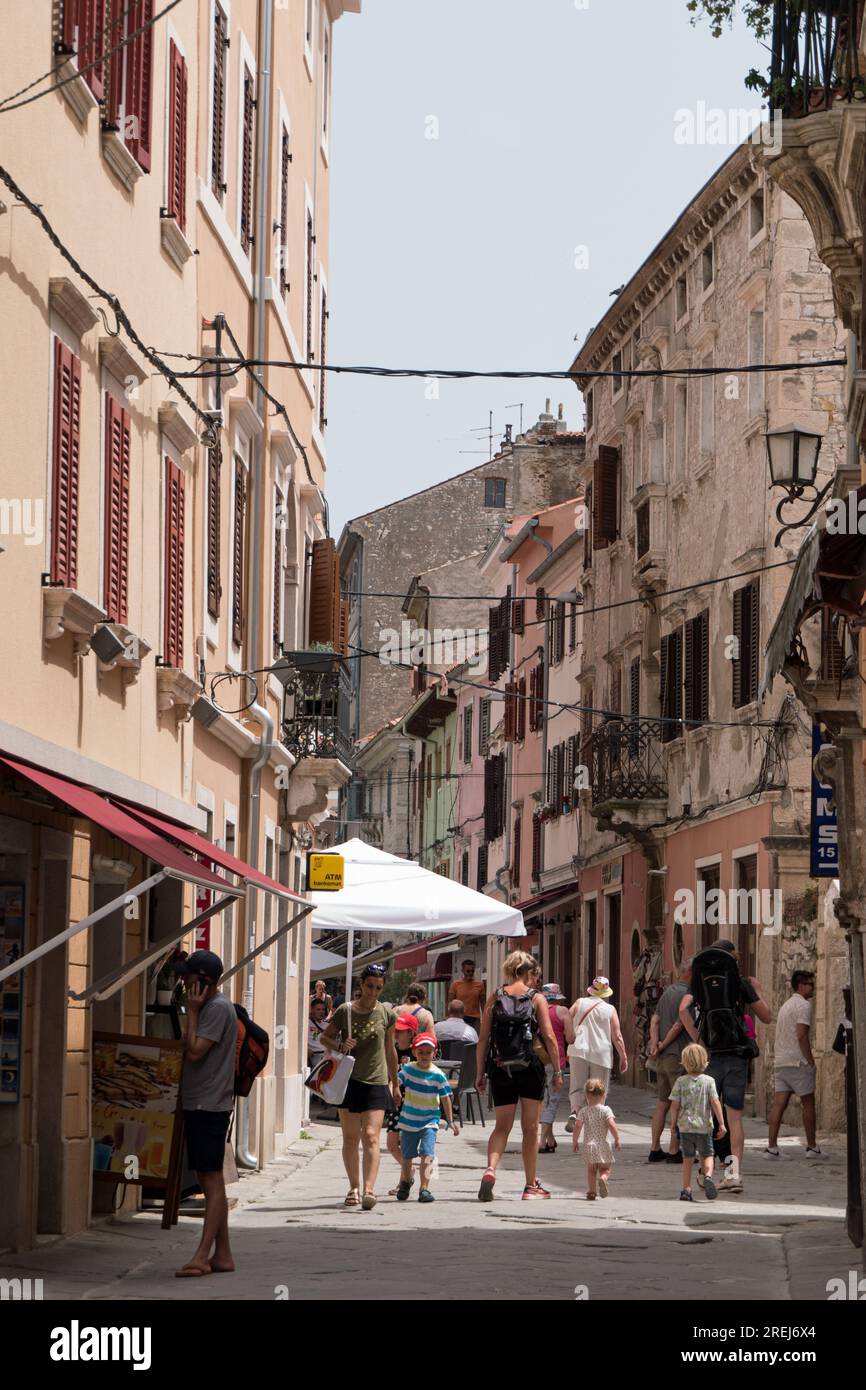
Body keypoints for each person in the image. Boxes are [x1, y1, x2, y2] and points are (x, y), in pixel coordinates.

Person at [679, 939, 771, 1194]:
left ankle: (705, 1171)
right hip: (737, 1056)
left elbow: (683, 1009)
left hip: (712, 1056)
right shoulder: (741, 984)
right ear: (734, 958)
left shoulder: (700, 983)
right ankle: (733, 1174)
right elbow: (766, 1016)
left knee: (707, 1116)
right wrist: (758, 990)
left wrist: (699, 1039)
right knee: (735, 1118)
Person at [475, 951, 562, 1201]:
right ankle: (530, 1184)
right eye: (537, 976)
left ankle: (491, 1168)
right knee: (530, 1128)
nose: (537, 981)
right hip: (529, 1068)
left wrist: (480, 1073)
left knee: (502, 1127)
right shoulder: (536, 998)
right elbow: (549, 1037)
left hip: (501, 1068)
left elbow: (483, 1039)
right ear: (531, 973)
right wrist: (557, 1071)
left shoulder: (496, 996)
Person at [174, 950, 237, 1278]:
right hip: (203, 1102)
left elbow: (195, 1050)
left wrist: (193, 1011)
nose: (183, 981)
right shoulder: (215, 1007)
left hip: (208, 1105)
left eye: (188, 977)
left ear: (204, 982)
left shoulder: (215, 1009)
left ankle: (201, 1255)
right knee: (211, 1179)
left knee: (211, 1181)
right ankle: (222, 1254)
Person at [319, 964, 400, 1210]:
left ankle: (369, 1189)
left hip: (376, 1080)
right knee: (351, 1137)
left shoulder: (387, 1014)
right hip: (349, 1080)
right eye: (369, 986)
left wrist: (395, 1084)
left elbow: (390, 1050)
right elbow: (324, 1038)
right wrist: (341, 1044)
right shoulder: (345, 1010)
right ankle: (353, 1186)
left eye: (378, 988)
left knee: (372, 1136)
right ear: (361, 985)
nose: (373, 992)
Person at [396, 1032, 459, 1202]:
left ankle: (424, 1188)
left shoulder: (438, 1075)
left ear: (434, 1053)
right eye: (421, 1052)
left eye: (428, 1052)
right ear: (414, 1052)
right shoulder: (408, 1070)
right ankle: (406, 1181)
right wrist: (392, 1093)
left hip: (430, 1121)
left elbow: (446, 1098)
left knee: (427, 1154)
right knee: (407, 1157)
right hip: (409, 1120)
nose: (424, 1055)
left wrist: (450, 1120)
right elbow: (396, 1083)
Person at [766, 970, 823, 1158]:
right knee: (808, 1102)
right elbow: (801, 1035)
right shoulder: (803, 1006)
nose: (813, 987)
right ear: (801, 986)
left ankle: (772, 1148)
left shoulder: (785, 1005)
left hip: (781, 1061)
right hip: (798, 1061)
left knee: (778, 1105)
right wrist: (810, 1060)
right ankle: (812, 1147)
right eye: (810, 984)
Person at [565, 976, 628, 1132]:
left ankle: (574, 1112)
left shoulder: (580, 1002)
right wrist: (623, 1056)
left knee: (577, 1086)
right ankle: (595, 1122)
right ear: (606, 993)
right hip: (601, 1053)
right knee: (598, 1088)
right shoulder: (610, 1009)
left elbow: (566, 1017)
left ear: (591, 990)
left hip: (578, 1049)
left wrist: (569, 1036)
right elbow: (617, 1036)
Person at [647, 962, 692, 1164]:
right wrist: (664, 1044)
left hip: (663, 1057)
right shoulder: (689, 994)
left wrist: (655, 1044)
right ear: (690, 972)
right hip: (677, 1055)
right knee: (678, 1103)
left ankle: (655, 1147)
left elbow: (655, 1020)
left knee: (662, 1102)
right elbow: (679, 1024)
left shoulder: (667, 992)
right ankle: (674, 1149)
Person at [670, 1043, 726, 1202]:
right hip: (704, 1127)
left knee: (687, 1159)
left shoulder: (680, 1081)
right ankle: (707, 1176)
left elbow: (674, 1105)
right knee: (707, 1154)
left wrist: (673, 1124)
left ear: (684, 1062)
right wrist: (721, 1123)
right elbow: (715, 1103)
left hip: (686, 1127)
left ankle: (686, 1190)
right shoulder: (709, 1081)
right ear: (705, 1061)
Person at [385, 1011, 420, 1193]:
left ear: (411, 1032)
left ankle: (403, 1181)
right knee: (391, 1144)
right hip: (395, 1102)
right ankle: (410, 1170)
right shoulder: (393, 1050)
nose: (397, 1033)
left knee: (405, 1143)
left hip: (412, 1103)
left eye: (401, 1030)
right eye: (395, 1030)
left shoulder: (417, 1052)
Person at [538, 983, 575, 1153]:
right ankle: (541, 1140)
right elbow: (571, 1038)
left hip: (537, 1059)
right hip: (555, 1060)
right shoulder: (562, 1011)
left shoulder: (537, 1010)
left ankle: (550, 1138)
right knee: (551, 1099)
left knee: (542, 1098)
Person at [572, 1078, 620, 1200]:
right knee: (605, 1169)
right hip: (603, 1145)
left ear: (586, 1095)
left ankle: (592, 1192)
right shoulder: (606, 1110)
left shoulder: (583, 1111)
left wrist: (575, 1140)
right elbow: (611, 1125)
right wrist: (617, 1139)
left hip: (589, 1146)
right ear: (604, 1094)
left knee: (591, 1171)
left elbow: (577, 1126)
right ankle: (603, 1178)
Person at [448, 959, 486, 1034]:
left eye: (472, 971)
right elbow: (450, 1003)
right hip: (460, 1018)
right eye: (468, 971)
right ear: (462, 970)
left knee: (475, 1041)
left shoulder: (479, 985)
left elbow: (483, 1003)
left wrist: (485, 1020)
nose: (470, 973)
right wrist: (449, 1018)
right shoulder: (455, 984)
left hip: (475, 1020)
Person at [307, 998, 329, 1068]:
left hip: (328, 1055)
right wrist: (305, 1048)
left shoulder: (327, 1025)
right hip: (316, 1056)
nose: (321, 1012)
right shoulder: (306, 1023)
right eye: (318, 1009)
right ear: (312, 1010)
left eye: (323, 1009)